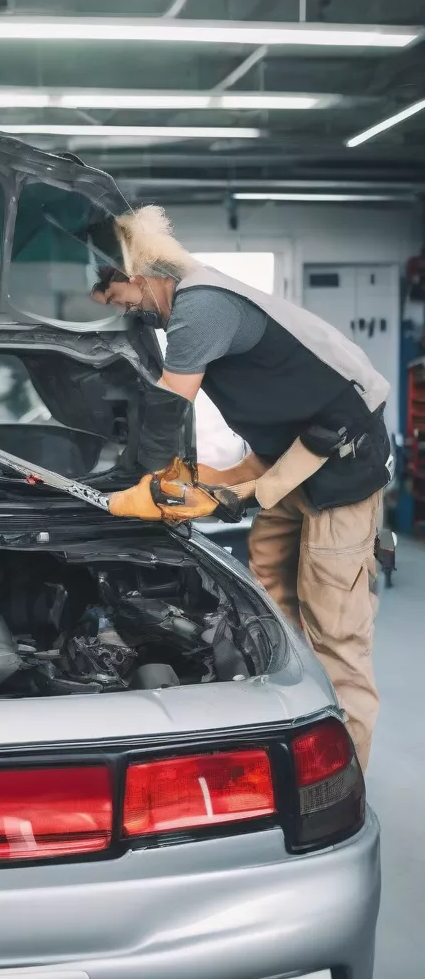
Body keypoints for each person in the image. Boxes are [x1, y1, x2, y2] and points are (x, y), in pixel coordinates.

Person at [91, 206, 390, 769]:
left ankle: (345, 778)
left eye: (121, 297)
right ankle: (291, 721)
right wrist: (226, 480)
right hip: (296, 445)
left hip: (342, 460)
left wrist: (150, 483)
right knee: (270, 589)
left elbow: (167, 406)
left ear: (144, 275)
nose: (125, 310)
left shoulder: (199, 307)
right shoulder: (181, 303)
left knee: (336, 629)